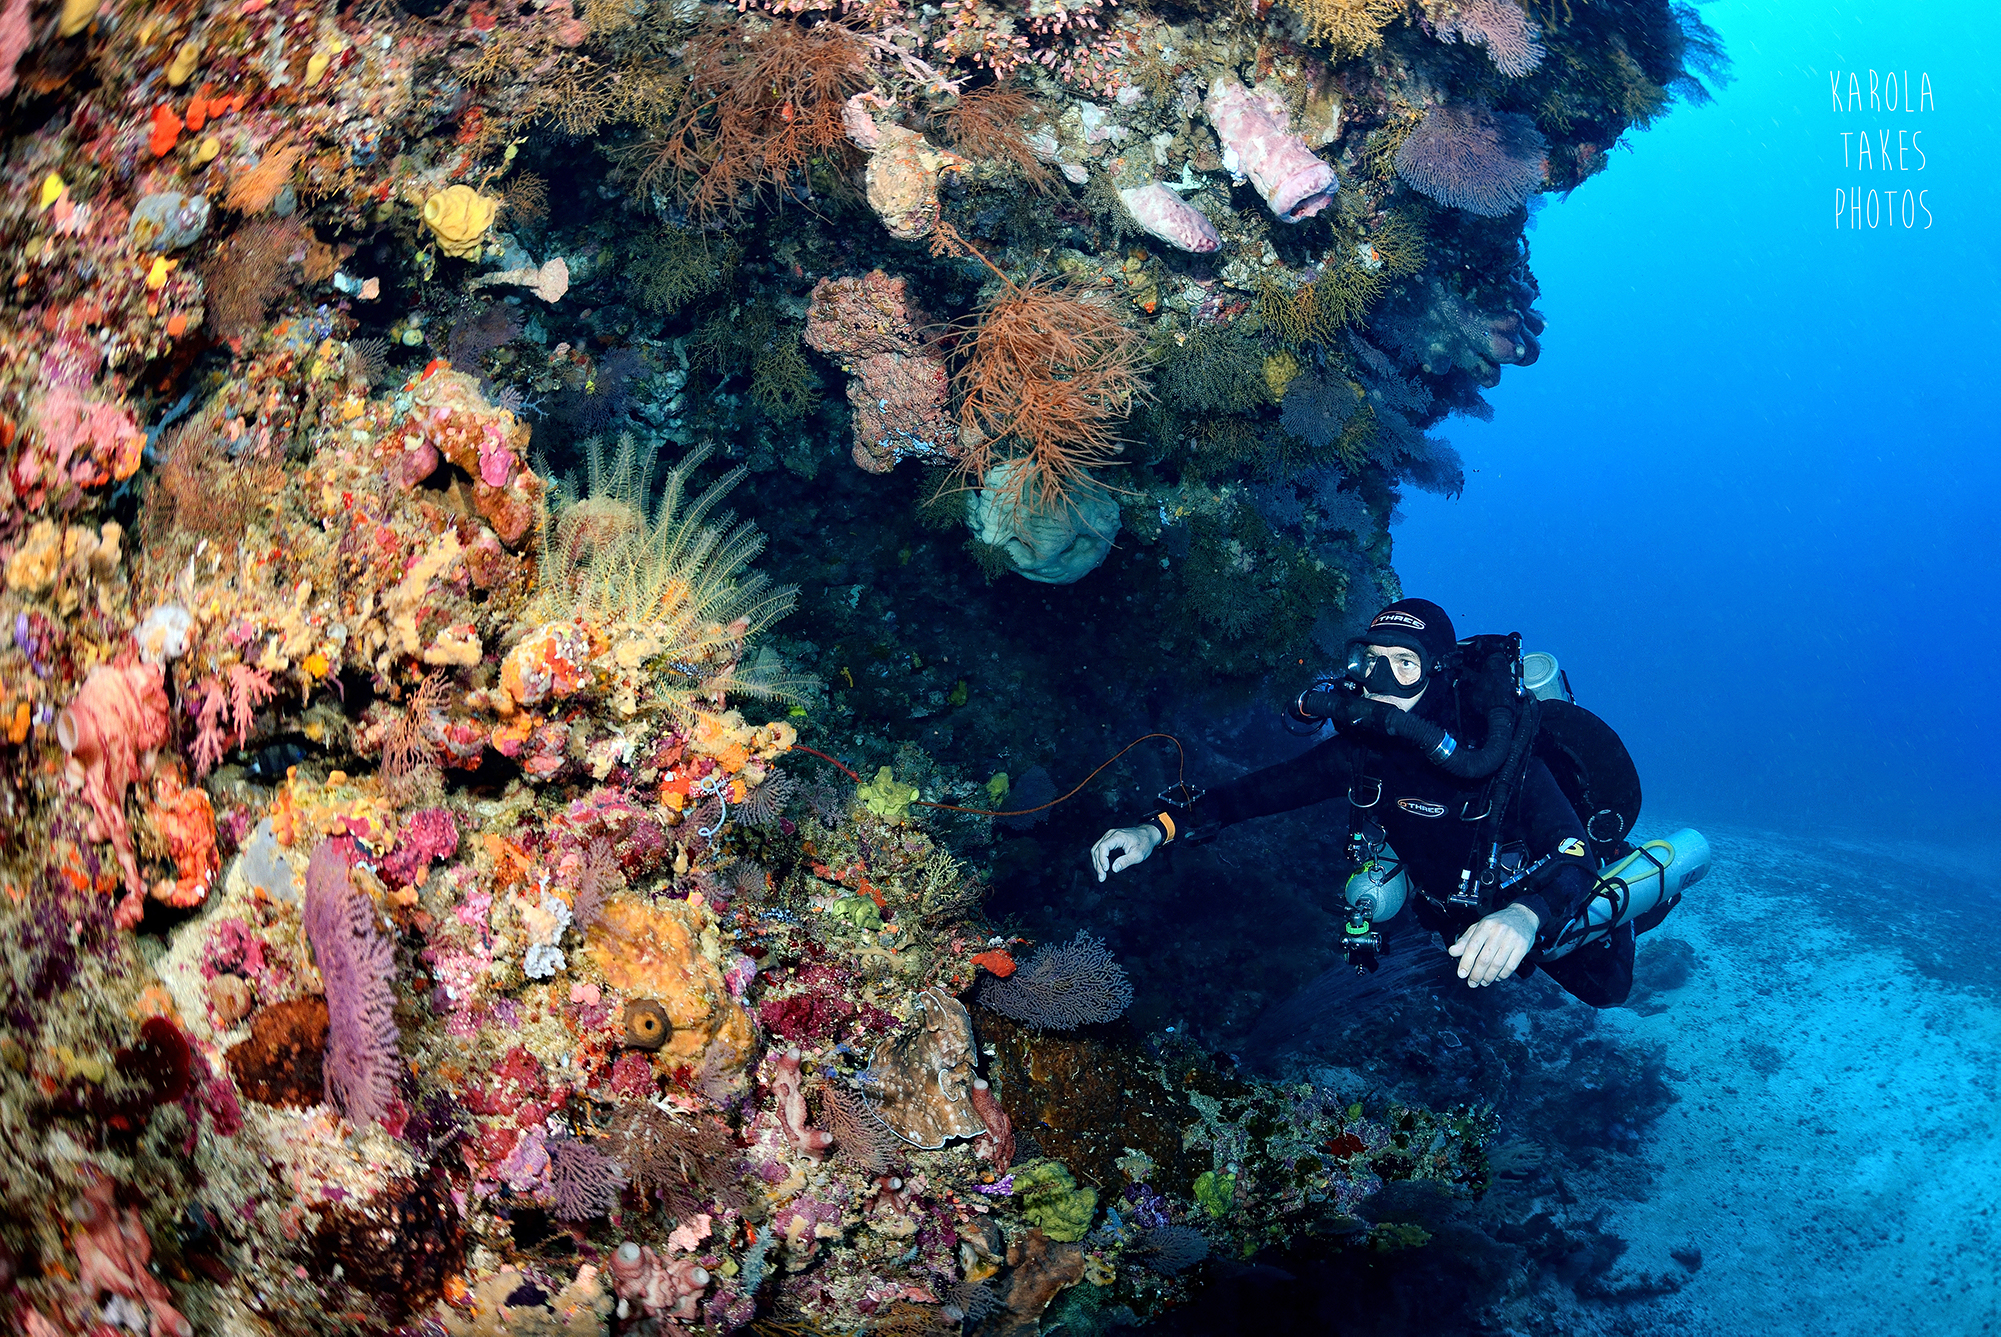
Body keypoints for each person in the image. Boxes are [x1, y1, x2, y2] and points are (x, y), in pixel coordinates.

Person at [1089, 598, 1637, 1007]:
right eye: (1370, 660)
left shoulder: (1502, 755)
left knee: (1606, 990)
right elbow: (1252, 795)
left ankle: (1640, 893)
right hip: (1456, 911)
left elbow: (1572, 856)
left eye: (1405, 664)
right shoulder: (1362, 755)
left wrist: (1524, 916)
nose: (1380, 681)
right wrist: (1153, 830)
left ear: (1440, 674)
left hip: (1536, 898)